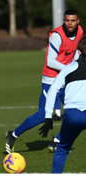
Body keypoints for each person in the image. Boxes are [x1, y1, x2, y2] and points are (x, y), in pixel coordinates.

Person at [5, 9, 83, 154]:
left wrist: (76, 64)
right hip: (51, 79)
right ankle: (13, 135)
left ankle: (57, 141)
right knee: (42, 115)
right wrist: (71, 68)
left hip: (66, 78)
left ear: (78, 21)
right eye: (67, 20)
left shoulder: (79, 32)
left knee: (76, 111)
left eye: (73, 20)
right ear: (63, 20)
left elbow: (75, 53)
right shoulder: (57, 36)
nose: (70, 23)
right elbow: (50, 61)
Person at [39, 36, 86, 174]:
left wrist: (48, 116)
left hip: (73, 115)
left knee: (63, 149)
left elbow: (53, 89)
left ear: (78, 52)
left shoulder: (70, 67)